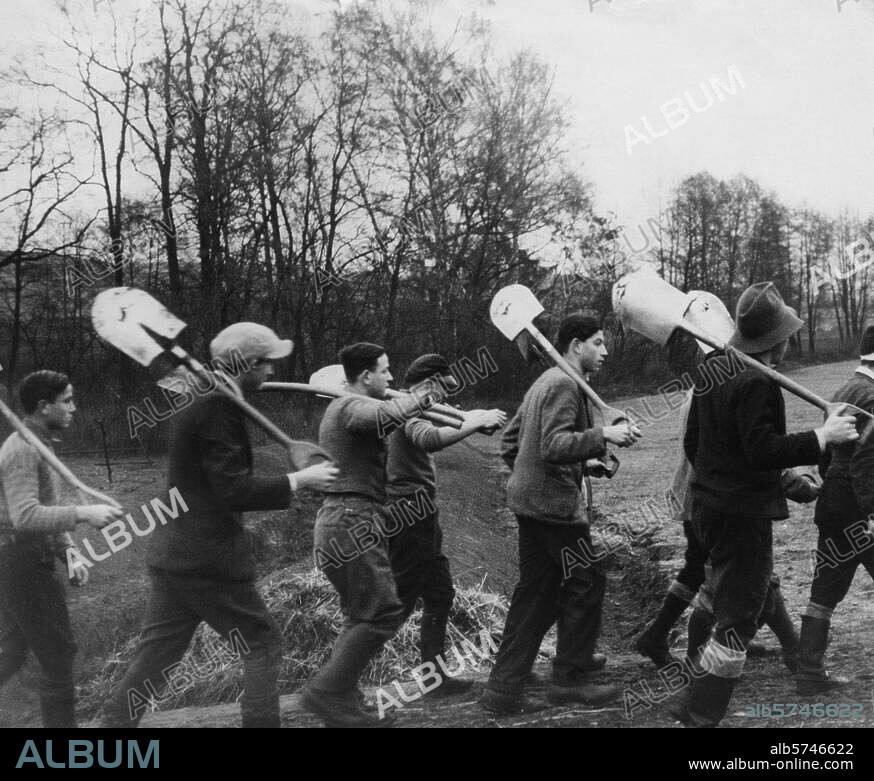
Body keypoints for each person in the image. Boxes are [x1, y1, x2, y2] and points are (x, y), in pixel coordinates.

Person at [101, 323, 337, 728]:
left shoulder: (205, 398)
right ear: (246, 365)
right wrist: (300, 481)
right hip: (206, 558)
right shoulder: (215, 407)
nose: (272, 374)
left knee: (157, 656)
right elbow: (232, 491)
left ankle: (112, 728)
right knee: (262, 642)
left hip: (175, 555)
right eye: (266, 364)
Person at [676, 282, 858, 727]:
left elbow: (695, 444)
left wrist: (740, 483)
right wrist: (822, 438)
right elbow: (760, 449)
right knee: (737, 623)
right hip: (742, 519)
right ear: (776, 341)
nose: (790, 342)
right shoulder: (757, 381)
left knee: (733, 605)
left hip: (709, 510)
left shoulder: (713, 368)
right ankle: (699, 716)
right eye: (788, 334)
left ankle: (688, 701)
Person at [634, 293, 815, 673]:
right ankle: (701, 669)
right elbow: (740, 451)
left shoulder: (713, 377)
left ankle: (790, 653)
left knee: (740, 579)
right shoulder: (733, 382)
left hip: (706, 497)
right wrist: (793, 480)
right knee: (722, 583)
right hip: (712, 499)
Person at [480, 315, 643, 716]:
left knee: (536, 593)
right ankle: (570, 679)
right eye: (598, 343)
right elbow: (552, 445)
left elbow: (514, 443)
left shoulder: (546, 381)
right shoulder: (565, 384)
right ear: (575, 345)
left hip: (530, 504)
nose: (605, 352)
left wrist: (582, 466)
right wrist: (602, 436)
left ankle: (504, 689)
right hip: (552, 509)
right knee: (587, 582)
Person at [300, 342, 446, 728]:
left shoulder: (351, 406)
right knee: (383, 611)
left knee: (360, 613)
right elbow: (387, 414)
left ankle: (343, 702)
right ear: (365, 377)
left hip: (347, 520)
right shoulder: (352, 406)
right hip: (351, 520)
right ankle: (325, 693)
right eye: (385, 370)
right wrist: (423, 395)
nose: (391, 377)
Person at [0, 370, 123, 727]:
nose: (74, 408)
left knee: (11, 651)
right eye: (66, 400)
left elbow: (47, 503)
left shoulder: (40, 444)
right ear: (43, 406)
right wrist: (85, 512)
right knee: (58, 654)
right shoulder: (23, 449)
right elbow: (25, 516)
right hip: (19, 559)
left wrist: (70, 553)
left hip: (21, 556)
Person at [385, 354, 506, 696]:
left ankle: (432, 678)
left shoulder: (416, 405)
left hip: (420, 510)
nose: (444, 397)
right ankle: (345, 673)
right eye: (440, 389)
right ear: (426, 384)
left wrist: (474, 421)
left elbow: (445, 421)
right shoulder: (405, 407)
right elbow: (428, 438)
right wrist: (475, 421)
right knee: (401, 600)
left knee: (439, 592)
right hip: (406, 511)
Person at [795, 324, 874, 695]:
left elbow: (826, 451)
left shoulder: (845, 390)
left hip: (834, 504)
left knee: (824, 590)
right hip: (861, 507)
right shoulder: (872, 395)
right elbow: (866, 462)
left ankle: (808, 671)